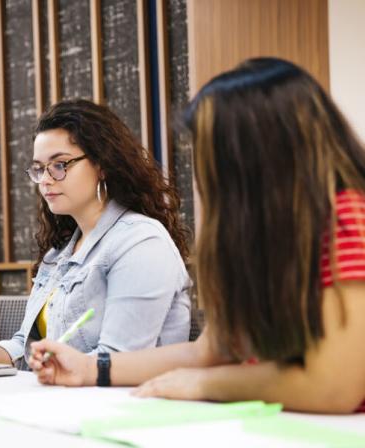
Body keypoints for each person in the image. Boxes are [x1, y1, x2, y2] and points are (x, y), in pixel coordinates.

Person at [29, 58, 365, 414]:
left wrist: (205, 384)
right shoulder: (261, 233)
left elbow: (332, 388)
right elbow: (209, 351)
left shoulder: (347, 216)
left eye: (212, 150)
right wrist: (88, 369)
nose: (205, 169)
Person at [0, 99, 191, 366]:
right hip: (61, 398)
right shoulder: (59, 252)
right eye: (39, 168)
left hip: (125, 403)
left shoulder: (141, 243)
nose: (45, 179)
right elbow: (24, 345)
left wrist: (55, 369)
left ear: (102, 164)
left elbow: (119, 360)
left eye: (60, 165)